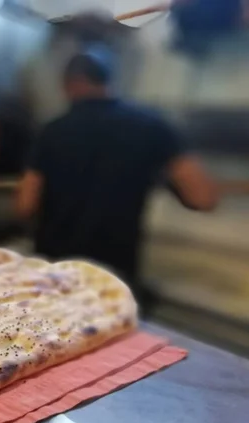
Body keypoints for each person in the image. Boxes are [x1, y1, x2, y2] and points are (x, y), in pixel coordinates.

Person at [16, 48, 219, 289]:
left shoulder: (52, 131)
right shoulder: (152, 125)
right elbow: (203, 198)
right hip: (113, 277)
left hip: (55, 273)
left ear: (70, 83)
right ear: (108, 80)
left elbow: (25, 205)